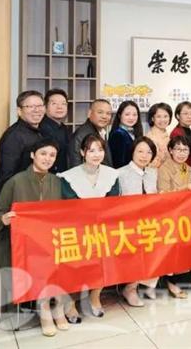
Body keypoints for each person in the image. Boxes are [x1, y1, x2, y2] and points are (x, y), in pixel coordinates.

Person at [0, 139, 70, 337]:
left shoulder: (57, 182)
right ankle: (44, 311)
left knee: (61, 261)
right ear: (32, 155)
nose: (47, 158)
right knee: (40, 264)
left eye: (52, 155)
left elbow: (63, 213)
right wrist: (4, 219)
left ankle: (59, 308)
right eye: (43, 153)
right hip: (23, 245)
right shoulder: (15, 181)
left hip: (49, 241)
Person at [58, 134, 119, 317]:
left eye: (100, 150)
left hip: (103, 227)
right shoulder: (69, 177)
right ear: (82, 152)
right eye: (91, 150)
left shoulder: (111, 174)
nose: (96, 154)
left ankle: (95, 296)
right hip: (78, 229)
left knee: (103, 261)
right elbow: (70, 205)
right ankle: (70, 303)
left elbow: (113, 202)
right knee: (76, 265)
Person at [117, 137, 160, 307]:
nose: (144, 155)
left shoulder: (153, 173)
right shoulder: (120, 173)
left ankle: (148, 283)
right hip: (127, 224)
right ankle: (130, 288)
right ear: (132, 152)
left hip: (149, 222)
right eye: (140, 151)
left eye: (149, 152)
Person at [157, 135, 191, 298]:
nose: (182, 153)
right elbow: (163, 194)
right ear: (170, 150)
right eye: (178, 149)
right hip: (169, 215)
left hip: (186, 214)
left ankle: (183, 279)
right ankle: (170, 282)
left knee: (185, 248)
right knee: (172, 249)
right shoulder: (164, 168)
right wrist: (185, 188)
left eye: (185, 150)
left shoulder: (188, 168)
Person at [0, 90, 46, 200]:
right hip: (18, 198)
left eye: (40, 106)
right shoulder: (14, 136)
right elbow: (6, 175)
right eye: (30, 106)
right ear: (19, 111)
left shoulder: (38, 132)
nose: (36, 110)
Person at [69, 99, 113, 168]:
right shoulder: (83, 135)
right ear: (89, 113)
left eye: (108, 113)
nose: (104, 116)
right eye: (100, 112)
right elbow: (75, 165)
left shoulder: (100, 131)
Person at [39, 88, 71, 174]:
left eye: (63, 104)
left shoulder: (64, 128)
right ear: (45, 107)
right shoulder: (42, 129)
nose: (59, 107)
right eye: (54, 103)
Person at [108, 100, 143, 169]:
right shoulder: (118, 134)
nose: (131, 118)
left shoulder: (133, 132)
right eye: (127, 114)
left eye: (134, 115)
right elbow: (119, 163)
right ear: (119, 115)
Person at [145, 103, 172, 169]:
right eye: (158, 116)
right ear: (152, 118)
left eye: (165, 116)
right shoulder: (150, 138)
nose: (162, 120)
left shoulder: (165, 134)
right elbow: (150, 165)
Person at [170, 101, 191, 166]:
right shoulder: (177, 133)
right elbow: (178, 157)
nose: (189, 116)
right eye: (185, 114)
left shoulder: (187, 129)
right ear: (178, 116)